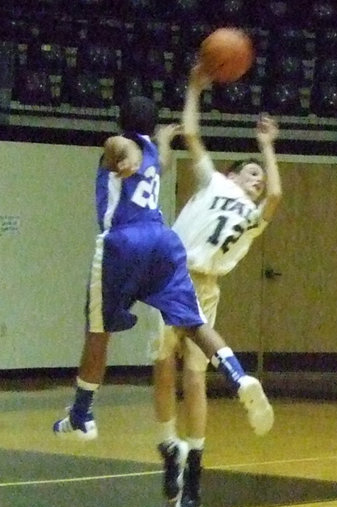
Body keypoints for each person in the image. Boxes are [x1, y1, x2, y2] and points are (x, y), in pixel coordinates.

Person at [53, 95, 274, 448]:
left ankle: (82, 413)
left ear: (120, 119)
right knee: (195, 324)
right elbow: (159, 162)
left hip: (123, 242)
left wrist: (125, 153)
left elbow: (118, 146)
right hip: (163, 243)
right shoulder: (155, 154)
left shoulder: (121, 143)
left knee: (98, 332)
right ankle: (238, 377)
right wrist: (164, 142)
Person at [152, 63, 283, 507]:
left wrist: (267, 150)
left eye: (260, 179)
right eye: (251, 174)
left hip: (202, 285)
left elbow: (276, 196)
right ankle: (170, 445)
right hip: (172, 273)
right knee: (165, 364)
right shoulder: (214, 182)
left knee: (194, 376)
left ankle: (195, 459)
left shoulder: (250, 218)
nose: (258, 180)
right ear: (232, 174)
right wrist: (193, 87)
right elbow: (191, 134)